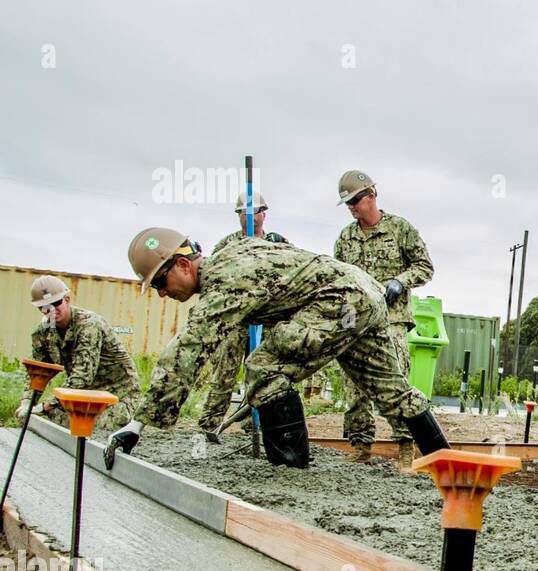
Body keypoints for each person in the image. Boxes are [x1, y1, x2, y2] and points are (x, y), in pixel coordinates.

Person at [103, 228, 449, 471]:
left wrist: (136, 425)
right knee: (391, 388)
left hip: (340, 302)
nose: (163, 293)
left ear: (183, 264)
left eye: (161, 283)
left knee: (263, 368)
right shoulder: (236, 252)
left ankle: (288, 469)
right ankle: (450, 469)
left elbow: (186, 352)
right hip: (363, 294)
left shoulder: (223, 281)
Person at [333, 170, 433, 471]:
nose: (352, 208)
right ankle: (360, 445)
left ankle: (405, 447)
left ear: (372, 196)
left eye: (356, 200)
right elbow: (338, 280)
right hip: (357, 322)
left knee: (395, 382)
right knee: (355, 385)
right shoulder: (345, 239)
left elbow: (425, 267)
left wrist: (401, 282)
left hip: (392, 320)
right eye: (348, 203)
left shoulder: (400, 229)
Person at [197, 192, 290, 441]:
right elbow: (210, 277)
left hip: (266, 320)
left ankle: (253, 423)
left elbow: (293, 273)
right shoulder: (228, 245)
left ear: (263, 213)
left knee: (261, 372)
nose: (248, 217)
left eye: (254, 212)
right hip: (236, 320)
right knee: (224, 372)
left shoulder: (276, 242)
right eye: (243, 213)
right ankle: (210, 423)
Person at [20, 275, 139, 430]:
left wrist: (46, 405)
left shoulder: (89, 325)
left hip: (115, 396)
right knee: (38, 421)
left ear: (67, 300)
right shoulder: (42, 333)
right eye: (45, 307)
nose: (52, 310)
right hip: (81, 396)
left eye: (56, 303)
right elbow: (38, 374)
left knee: (88, 426)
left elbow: (82, 376)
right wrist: (27, 404)